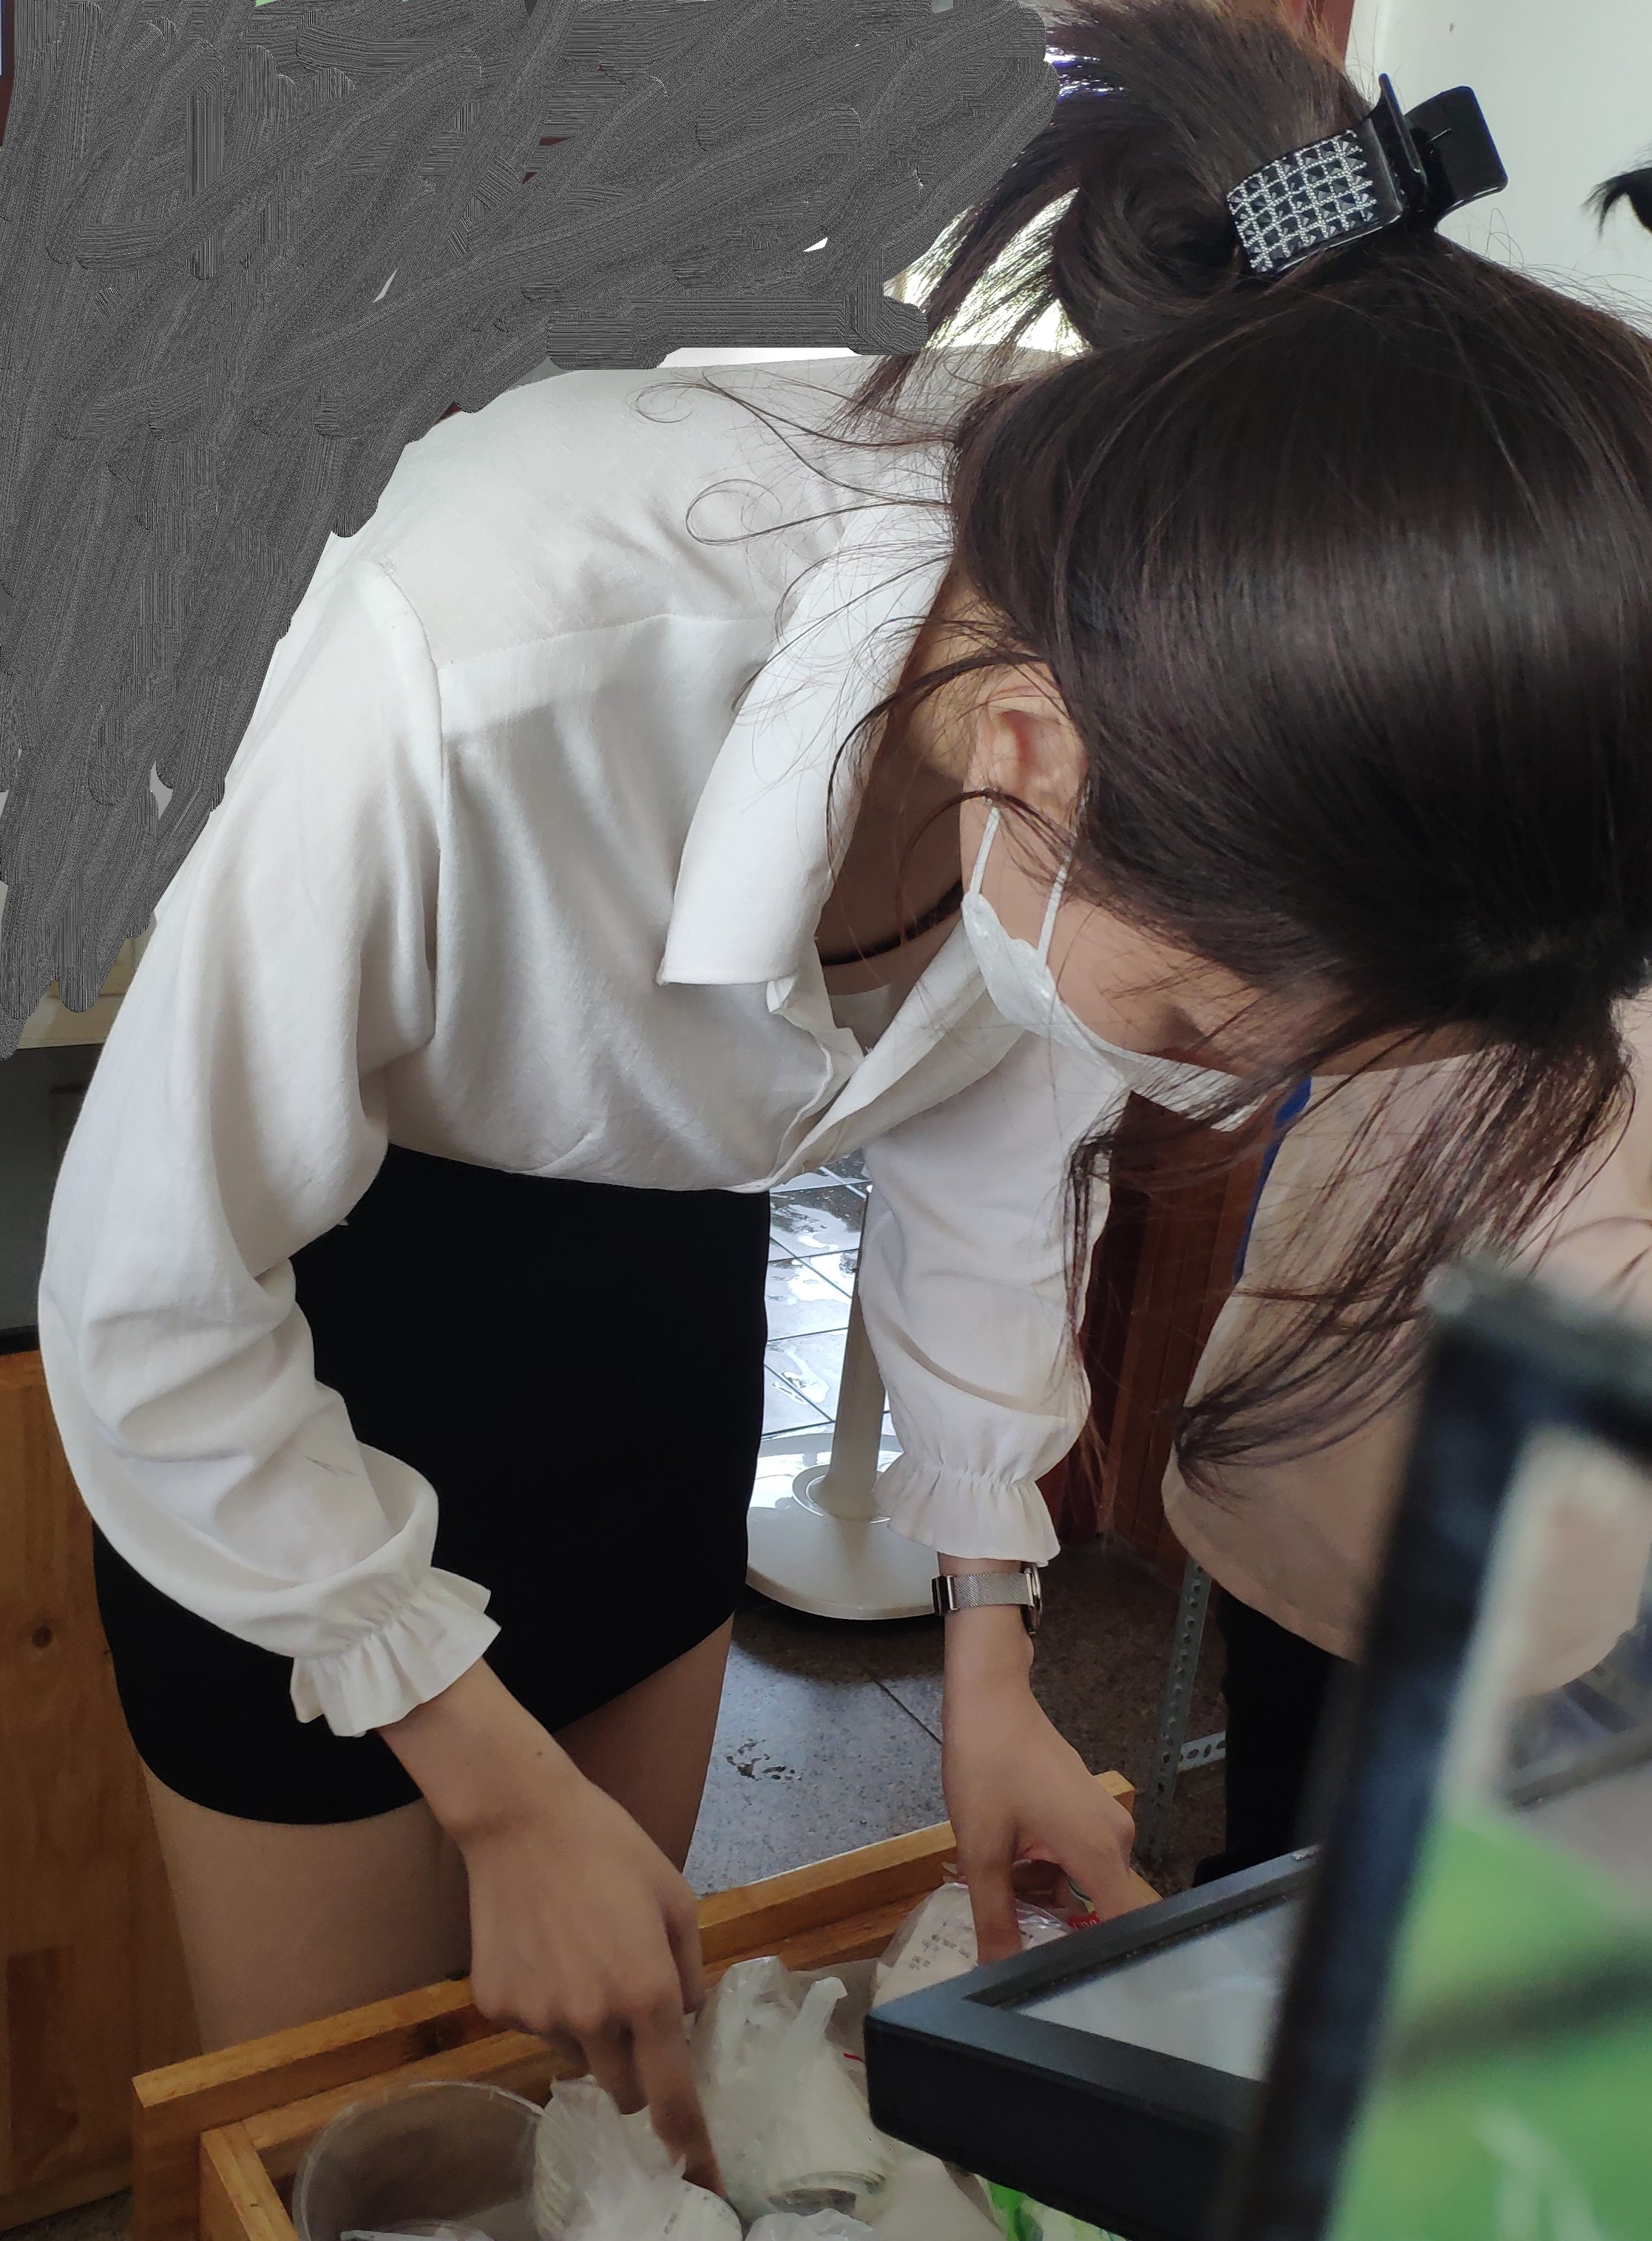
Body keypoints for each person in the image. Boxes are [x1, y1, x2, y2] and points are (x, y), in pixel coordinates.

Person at [38, 0, 1652, 2191]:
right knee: (346, 2127)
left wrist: (990, 1651)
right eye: (1199, 1033)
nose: (1187, 1084)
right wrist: (487, 1784)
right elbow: (147, 1293)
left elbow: (995, 1125)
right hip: (303, 1327)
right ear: (1029, 759)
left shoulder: (1144, 644)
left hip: (658, 1296)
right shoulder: (493, 642)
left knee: (590, 2081)